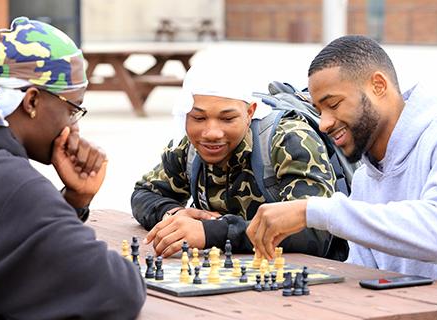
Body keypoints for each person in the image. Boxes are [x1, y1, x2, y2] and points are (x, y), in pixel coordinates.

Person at [246, 35, 437, 285]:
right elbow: (364, 277)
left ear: (378, 86)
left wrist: (313, 210)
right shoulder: (364, 178)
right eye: (319, 111)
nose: (324, 123)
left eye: (334, 104)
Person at [0, 17, 146, 319]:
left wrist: (74, 201)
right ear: (32, 101)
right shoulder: (12, 183)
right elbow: (116, 291)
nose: (74, 127)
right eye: (73, 109)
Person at [131, 62, 344, 259]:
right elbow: (143, 194)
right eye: (198, 118)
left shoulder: (288, 140)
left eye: (227, 119)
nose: (211, 133)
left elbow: (316, 231)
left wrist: (212, 232)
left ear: (250, 112)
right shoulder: (189, 148)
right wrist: (175, 215)